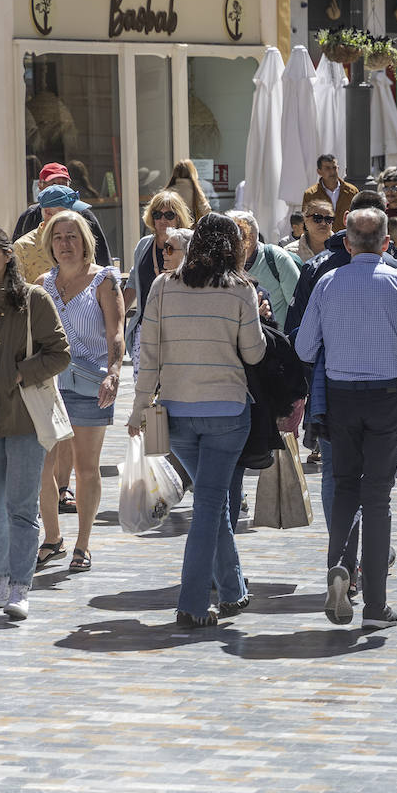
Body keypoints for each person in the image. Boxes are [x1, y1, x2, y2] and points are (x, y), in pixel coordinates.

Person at [295, 208, 397, 631]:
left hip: (340, 396)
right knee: (377, 497)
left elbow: (305, 348)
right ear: (384, 243)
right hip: (387, 397)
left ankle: (341, 565)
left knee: (344, 487)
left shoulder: (327, 282)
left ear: (347, 243)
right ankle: (375, 605)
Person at [127, 213, 265, 628]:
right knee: (209, 503)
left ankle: (233, 589)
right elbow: (255, 354)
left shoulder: (163, 286)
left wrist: (137, 409)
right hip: (226, 411)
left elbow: (147, 354)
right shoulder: (240, 289)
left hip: (177, 413)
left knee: (211, 502)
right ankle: (190, 601)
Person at [33, 211, 124, 574]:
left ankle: (83, 544)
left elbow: (115, 333)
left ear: (85, 240)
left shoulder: (104, 280)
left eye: (72, 236)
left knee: (86, 468)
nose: (65, 244)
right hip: (49, 387)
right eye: (58, 238)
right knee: (44, 467)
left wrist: (114, 373)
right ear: (49, 244)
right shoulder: (42, 284)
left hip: (90, 385)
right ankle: (53, 538)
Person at [0, 227, 71, 620]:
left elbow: (60, 353)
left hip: (24, 419)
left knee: (21, 508)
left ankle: (20, 587)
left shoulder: (32, 299)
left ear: (6, 255)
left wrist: (19, 373)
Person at [125, 191, 197, 371]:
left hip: (178, 329)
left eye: (169, 215)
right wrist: (114, 316)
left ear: (179, 218)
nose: (162, 220)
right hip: (145, 328)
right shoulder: (143, 245)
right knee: (143, 388)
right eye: (157, 215)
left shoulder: (188, 245)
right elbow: (133, 283)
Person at [229, 210, 300, 327]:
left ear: (250, 238)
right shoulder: (223, 263)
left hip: (277, 338)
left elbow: (297, 305)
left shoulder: (277, 258)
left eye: (232, 234)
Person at [303, 154, 359, 227]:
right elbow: (306, 220)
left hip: (345, 236)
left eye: (334, 168)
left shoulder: (352, 191)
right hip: (321, 237)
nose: (332, 171)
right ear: (319, 172)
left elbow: (358, 216)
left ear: (338, 169)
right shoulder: (310, 194)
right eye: (327, 168)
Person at [286, 200, 336, 264]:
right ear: (305, 220)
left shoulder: (344, 249)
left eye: (328, 219)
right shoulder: (290, 252)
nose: (323, 223)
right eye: (317, 218)